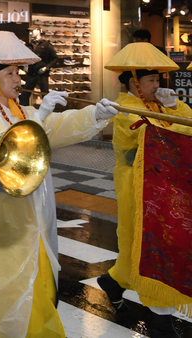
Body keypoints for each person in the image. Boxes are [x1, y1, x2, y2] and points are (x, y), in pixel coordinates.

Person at [0, 30, 121, 338]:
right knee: (6, 284)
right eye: (10, 73)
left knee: (36, 280)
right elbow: (10, 147)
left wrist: (94, 115)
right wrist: (41, 116)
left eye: (19, 72)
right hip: (1, 219)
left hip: (32, 215)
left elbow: (57, 127)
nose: (18, 79)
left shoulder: (23, 110)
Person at [98, 42, 192, 338]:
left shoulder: (155, 104)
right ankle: (160, 319)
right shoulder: (125, 110)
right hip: (137, 187)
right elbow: (161, 137)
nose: (157, 85)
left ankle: (113, 281)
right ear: (133, 83)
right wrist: (172, 113)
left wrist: (175, 106)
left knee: (138, 249)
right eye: (151, 80)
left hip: (163, 186)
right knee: (151, 246)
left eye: (157, 79)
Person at [19, 25, 58, 106]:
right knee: (24, 96)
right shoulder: (29, 45)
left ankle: (48, 114)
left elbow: (55, 58)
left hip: (42, 75)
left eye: (32, 31)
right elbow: (25, 58)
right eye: (30, 32)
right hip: (31, 74)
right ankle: (24, 114)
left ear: (38, 31)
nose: (30, 33)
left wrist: (46, 68)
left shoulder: (47, 45)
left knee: (45, 96)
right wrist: (25, 66)